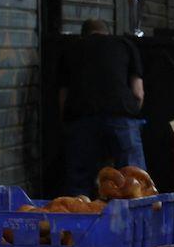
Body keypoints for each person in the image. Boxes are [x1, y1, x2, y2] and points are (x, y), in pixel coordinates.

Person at [57, 18, 147, 195]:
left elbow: (63, 97)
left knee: (79, 183)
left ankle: (82, 217)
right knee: (135, 180)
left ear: (84, 35)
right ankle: (136, 219)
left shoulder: (71, 48)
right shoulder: (125, 45)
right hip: (121, 117)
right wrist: (132, 118)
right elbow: (138, 93)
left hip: (81, 118)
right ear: (108, 33)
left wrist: (65, 123)